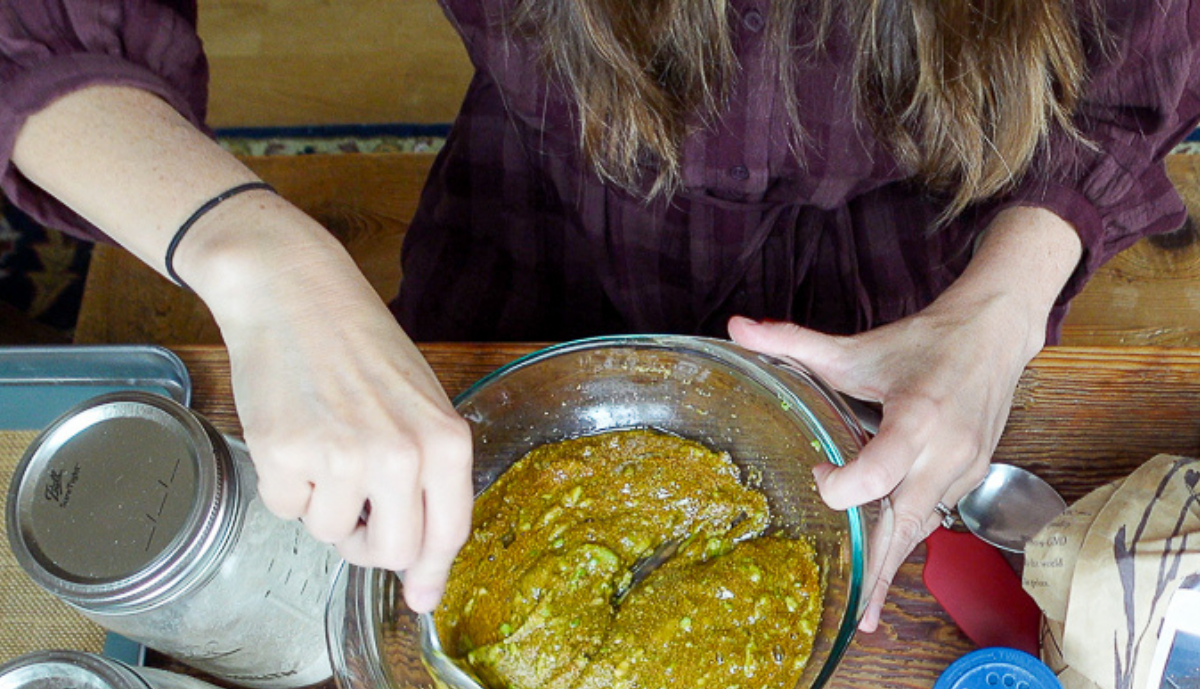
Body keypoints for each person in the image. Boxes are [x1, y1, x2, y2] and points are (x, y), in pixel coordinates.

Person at [2, 1, 1198, 631]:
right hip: (543, 229)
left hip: (924, 273)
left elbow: (1150, 45)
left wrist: (1005, 304)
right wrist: (252, 254)